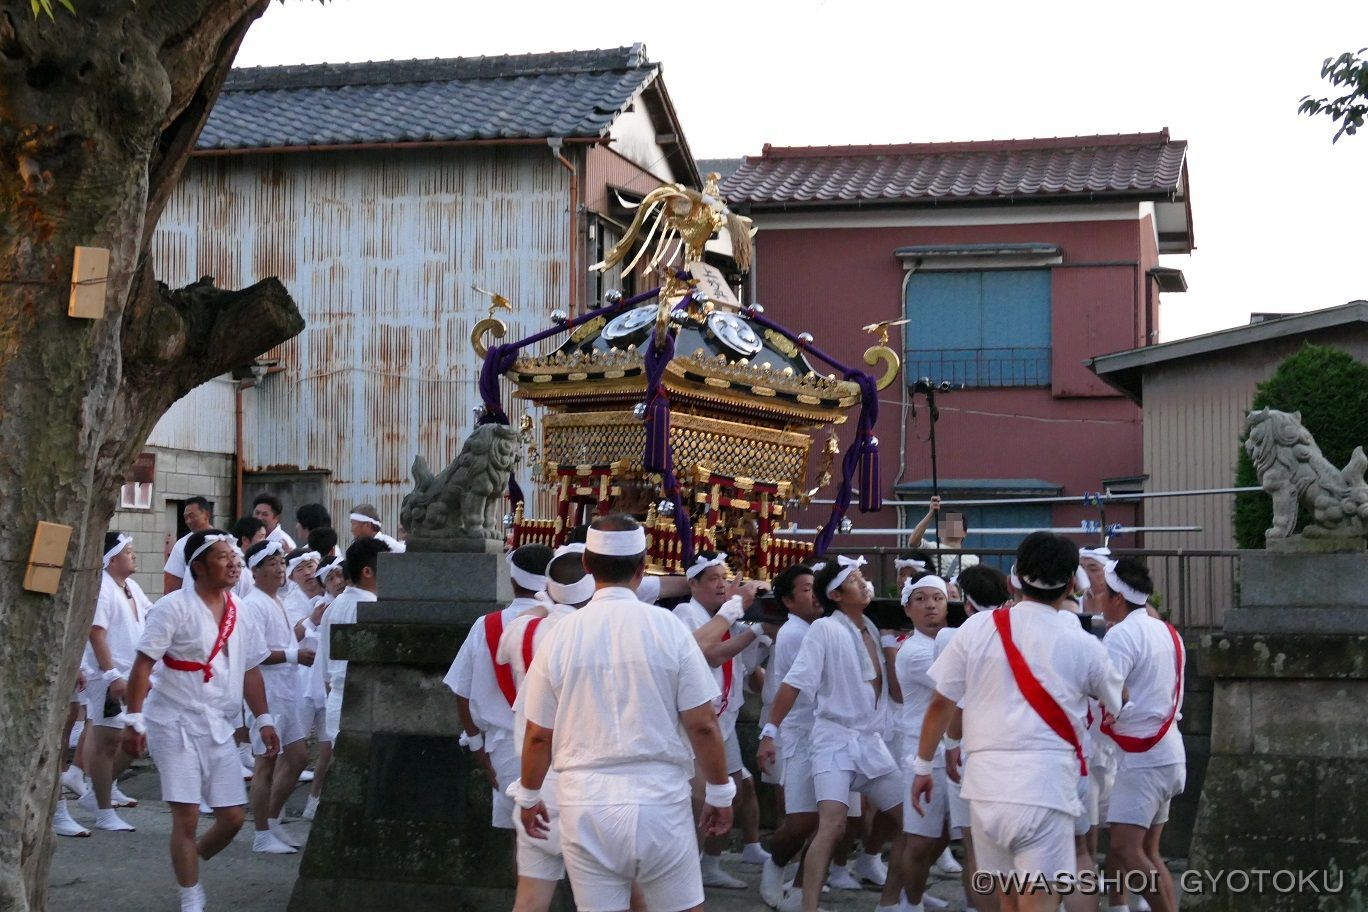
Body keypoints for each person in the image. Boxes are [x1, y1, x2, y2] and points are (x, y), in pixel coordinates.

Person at [513, 514, 734, 912]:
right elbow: (702, 725)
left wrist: (528, 796)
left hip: (584, 804)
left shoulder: (559, 635)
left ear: (586, 564)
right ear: (642, 565)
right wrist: (720, 791)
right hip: (660, 802)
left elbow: (537, 734)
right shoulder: (668, 628)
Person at [914, 532, 1124, 912]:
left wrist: (922, 767)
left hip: (985, 786)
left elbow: (940, 704)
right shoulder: (1083, 643)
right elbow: (1118, 701)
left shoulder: (976, 629)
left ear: (1014, 579)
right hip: (1045, 787)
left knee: (1007, 898)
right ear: (1072, 584)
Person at [121, 529, 279, 912]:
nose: (233, 563)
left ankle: (187, 858)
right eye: (223, 557)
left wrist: (264, 719)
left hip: (219, 725)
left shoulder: (239, 610)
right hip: (173, 721)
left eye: (234, 557)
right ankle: (191, 896)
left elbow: (252, 669)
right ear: (197, 566)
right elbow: (143, 664)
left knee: (232, 818)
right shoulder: (172, 607)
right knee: (187, 815)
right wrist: (134, 719)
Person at [759, 555, 907, 912]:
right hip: (832, 738)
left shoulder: (870, 627)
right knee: (829, 825)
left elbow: (890, 689)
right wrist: (768, 732)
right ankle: (805, 902)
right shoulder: (824, 629)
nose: (865, 583)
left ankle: (894, 901)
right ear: (836, 595)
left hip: (869, 741)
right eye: (855, 579)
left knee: (913, 823)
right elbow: (794, 684)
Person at [672, 551, 769, 887]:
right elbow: (707, 655)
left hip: (724, 721)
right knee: (700, 798)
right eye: (712, 579)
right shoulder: (686, 614)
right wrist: (755, 630)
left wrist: (765, 629)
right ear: (693, 584)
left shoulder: (732, 620)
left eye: (724, 578)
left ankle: (711, 864)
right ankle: (691, 866)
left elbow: (751, 670)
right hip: (695, 722)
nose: (720, 585)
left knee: (734, 792)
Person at [444, 544, 553, 837]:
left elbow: (461, 693)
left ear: (512, 580)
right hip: (560, 748)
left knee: (526, 846)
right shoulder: (563, 623)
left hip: (505, 750)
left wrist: (478, 749)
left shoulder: (486, 626)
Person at [1099, 558, 1184, 912]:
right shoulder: (1166, 630)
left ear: (1118, 598)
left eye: (1103, 592)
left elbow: (1108, 692)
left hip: (1141, 756)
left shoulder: (1121, 634)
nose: (1098, 598)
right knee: (1148, 851)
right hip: (1168, 750)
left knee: (1124, 847)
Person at [935, 563, 1012, 912]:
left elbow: (950, 700)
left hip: (969, 748)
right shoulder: (1024, 630)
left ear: (966, 604)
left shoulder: (954, 636)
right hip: (1014, 748)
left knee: (975, 845)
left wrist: (950, 746)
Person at [240, 540, 315, 854]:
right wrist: (294, 655)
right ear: (255, 571)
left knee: (297, 758)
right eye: (272, 564)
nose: (280, 569)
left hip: (285, 691)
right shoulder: (252, 603)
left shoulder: (277, 600)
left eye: (282, 563)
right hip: (265, 692)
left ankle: (271, 822)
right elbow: (252, 656)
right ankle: (260, 833)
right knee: (265, 763)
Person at [755, 563, 822, 908]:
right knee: (802, 819)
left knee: (831, 823)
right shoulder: (796, 633)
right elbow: (800, 688)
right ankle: (779, 866)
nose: (815, 594)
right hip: (797, 732)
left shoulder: (816, 628)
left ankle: (800, 887)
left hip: (824, 732)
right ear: (788, 601)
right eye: (807, 589)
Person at [77, 532, 150, 832]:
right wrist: (111, 674)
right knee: (108, 742)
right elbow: (96, 632)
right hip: (108, 676)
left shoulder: (131, 585)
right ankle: (104, 810)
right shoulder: (103, 588)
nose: (133, 556)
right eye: (128, 551)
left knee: (133, 742)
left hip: (132, 674)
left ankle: (97, 794)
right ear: (112, 558)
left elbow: (151, 612)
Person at [893, 575, 954, 912]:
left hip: (950, 751)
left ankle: (913, 891)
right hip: (921, 754)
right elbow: (954, 683)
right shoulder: (913, 651)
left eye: (937, 598)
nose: (930, 605)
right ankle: (910, 902)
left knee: (944, 833)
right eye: (921, 599)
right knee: (919, 840)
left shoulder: (947, 643)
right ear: (907, 608)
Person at [315, 538, 390, 748]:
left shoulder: (335, 606)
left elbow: (326, 674)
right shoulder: (371, 609)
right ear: (367, 572)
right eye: (387, 566)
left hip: (338, 702)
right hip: (363, 705)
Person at [162, 496, 213, 594]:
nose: (188, 521)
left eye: (192, 516)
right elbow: (171, 586)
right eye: (186, 518)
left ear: (206, 515)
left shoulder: (224, 540)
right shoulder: (182, 545)